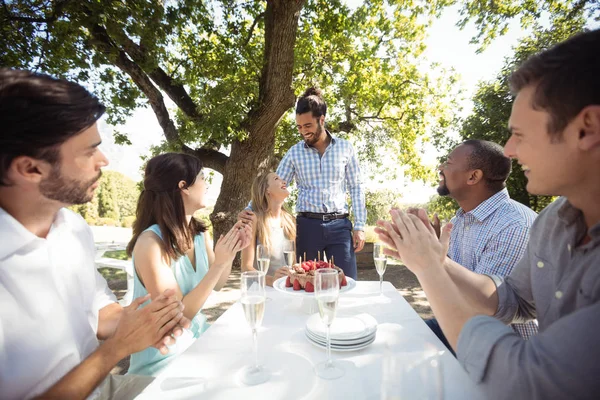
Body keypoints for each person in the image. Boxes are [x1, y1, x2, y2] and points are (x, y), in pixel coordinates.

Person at [376, 29, 600, 399]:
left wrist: (430, 268)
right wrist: (435, 259)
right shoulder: (554, 223)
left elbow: (524, 381)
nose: (509, 151)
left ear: (586, 128)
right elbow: (515, 300)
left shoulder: (519, 222)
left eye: (520, 135)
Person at [0, 68, 189, 400]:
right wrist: (117, 349)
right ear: (30, 168)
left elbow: (98, 311)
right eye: (89, 151)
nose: (104, 159)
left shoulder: (72, 229)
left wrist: (146, 321)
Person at [126, 152, 252, 375]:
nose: (207, 185)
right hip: (163, 361)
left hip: (199, 342)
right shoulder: (150, 243)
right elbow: (179, 316)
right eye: (203, 178)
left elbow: (219, 283)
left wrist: (232, 251)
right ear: (183, 186)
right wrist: (218, 264)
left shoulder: (199, 233)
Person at [421, 140, 538, 352]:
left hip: (500, 350)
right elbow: (448, 292)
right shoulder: (458, 222)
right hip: (462, 329)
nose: (440, 168)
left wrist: (433, 259)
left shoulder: (513, 226)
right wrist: (427, 254)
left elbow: (483, 312)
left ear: (473, 176)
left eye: (448, 163)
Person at [240, 87, 367, 279]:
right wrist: (250, 211)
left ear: (321, 120)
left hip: (340, 226)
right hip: (307, 227)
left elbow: (356, 187)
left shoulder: (345, 148)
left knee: (347, 282)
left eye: (307, 126)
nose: (303, 132)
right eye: (299, 127)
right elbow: (271, 186)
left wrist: (360, 225)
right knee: (304, 282)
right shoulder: (294, 153)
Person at [241, 172, 296, 286]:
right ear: (267, 190)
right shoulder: (254, 219)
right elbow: (246, 268)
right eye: (277, 179)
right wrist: (272, 280)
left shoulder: (290, 220)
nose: (284, 181)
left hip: (285, 288)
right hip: (260, 289)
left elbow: (293, 263)